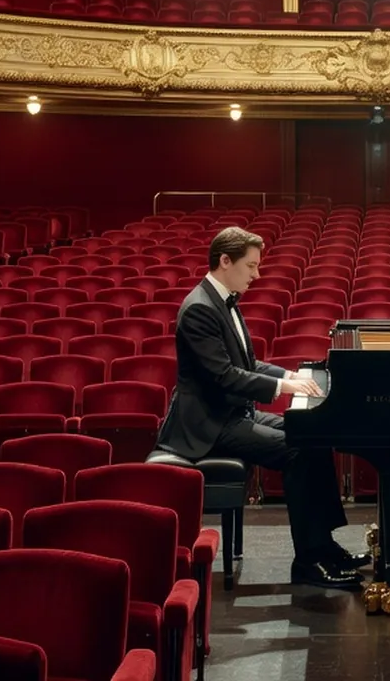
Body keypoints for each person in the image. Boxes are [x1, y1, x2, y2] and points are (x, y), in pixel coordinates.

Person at [157, 226, 366, 590]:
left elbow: (249, 364)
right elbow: (224, 376)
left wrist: (290, 374)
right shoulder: (199, 309)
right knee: (296, 451)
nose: (257, 274)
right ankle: (308, 563)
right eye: (251, 266)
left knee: (313, 434)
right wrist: (284, 387)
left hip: (233, 413)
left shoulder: (224, 300)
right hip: (209, 424)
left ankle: (324, 545)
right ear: (225, 261)